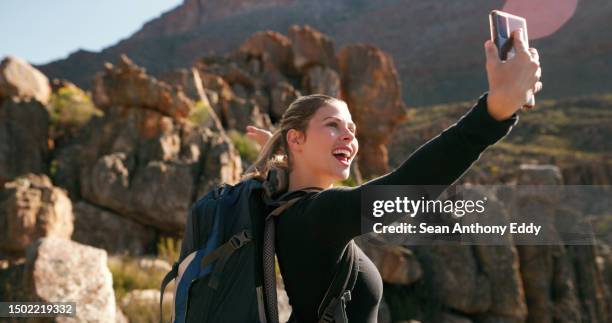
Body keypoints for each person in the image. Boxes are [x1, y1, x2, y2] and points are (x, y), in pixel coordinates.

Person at [243, 30, 541, 322]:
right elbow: (409, 186)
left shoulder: (284, 205)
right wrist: (494, 112)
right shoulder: (319, 214)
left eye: (352, 129)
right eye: (333, 125)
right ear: (296, 140)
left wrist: (281, 148)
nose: (348, 135)